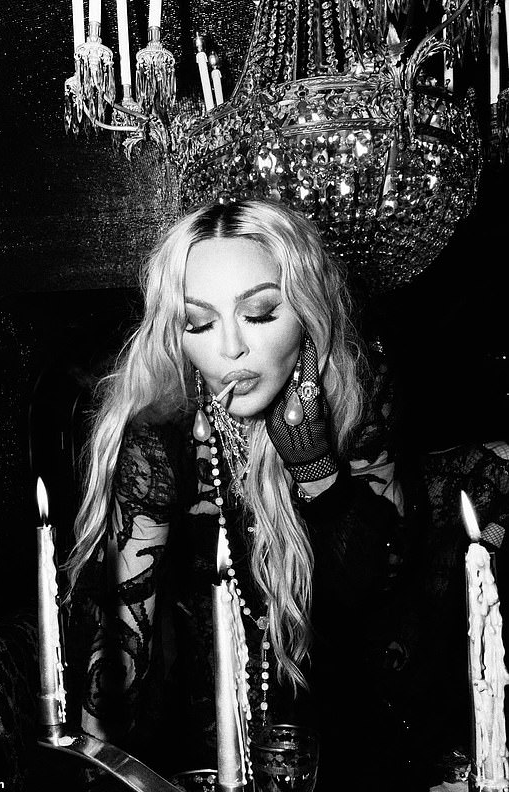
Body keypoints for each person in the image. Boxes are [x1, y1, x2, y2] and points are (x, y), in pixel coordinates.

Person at [63, 199, 493, 791]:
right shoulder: (158, 439)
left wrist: (312, 463)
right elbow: (118, 643)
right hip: (208, 756)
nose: (229, 348)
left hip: (347, 744)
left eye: (260, 313)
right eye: (199, 322)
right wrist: (98, 770)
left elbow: (381, 602)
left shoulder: (356, 407)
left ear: (309, 316)